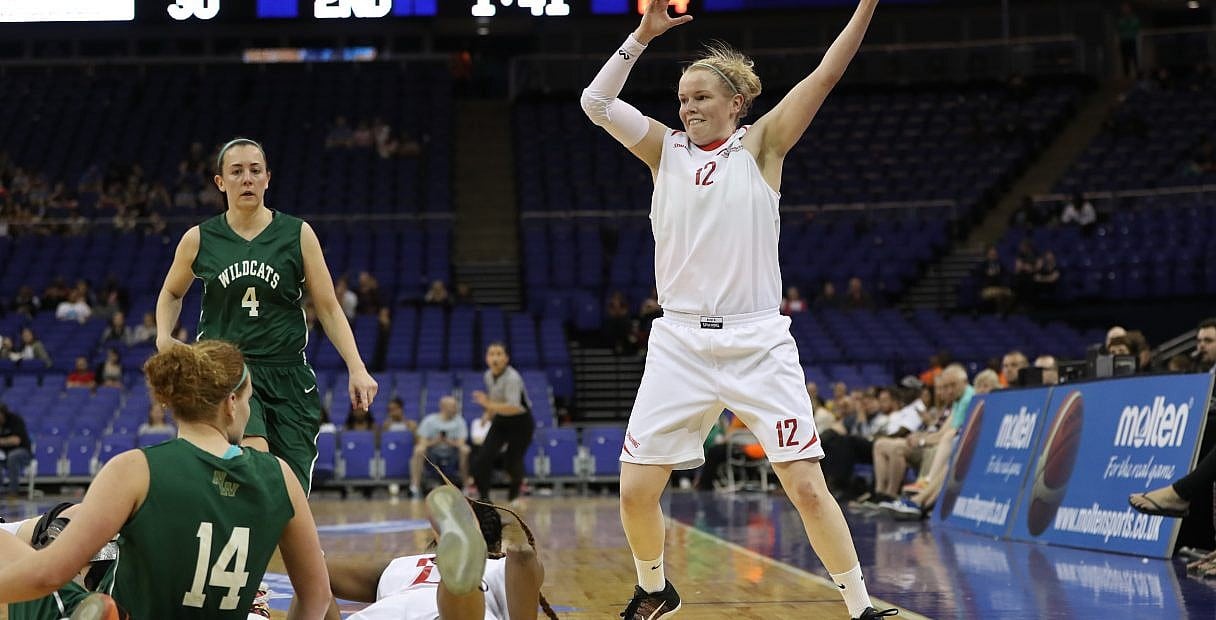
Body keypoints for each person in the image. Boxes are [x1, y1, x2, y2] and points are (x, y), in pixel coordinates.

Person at [579, 2, 894, 619]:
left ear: (735, 103)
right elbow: (596, 102)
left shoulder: (763, 145)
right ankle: (653, 587)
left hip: (757, 340)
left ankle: (860, 607)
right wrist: (642, 35)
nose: (688, 108)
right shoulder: (662, 151)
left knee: (805, 485)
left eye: (700, 97)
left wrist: (865, 6)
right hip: (679, 343)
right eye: (682, 99)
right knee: (636, 490)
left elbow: (827, 72)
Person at [0, 341, 331, 618]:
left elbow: (47, 575)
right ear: (231, 404)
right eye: (249, 401)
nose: (247, 411)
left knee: (31, 558)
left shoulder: (135, 469)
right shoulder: (281, 476)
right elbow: (317, 594)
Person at [156, 137, 378, 494]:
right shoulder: (199, 239)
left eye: (255, 171)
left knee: (289, 495)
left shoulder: (297, 234)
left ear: (267, 179)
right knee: (254, 468)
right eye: (237, 171)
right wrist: (163, 336)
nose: (247, 179)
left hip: (288, 372)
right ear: (220, 182)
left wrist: (357, 367)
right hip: (229, 372)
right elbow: (171, 292)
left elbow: (328, 306)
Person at [325, 486, 555, 620]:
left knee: (312, 580)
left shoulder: (403, 565)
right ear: (496, 545)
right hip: (447, 612)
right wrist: (519, 553)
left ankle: (456, 570)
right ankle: (458, 576)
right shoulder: (498, 566)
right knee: (464, 598)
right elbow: (523, 560)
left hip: (381, 615)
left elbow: (323, 573)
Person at [470, 343, 533, 505]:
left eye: (499, 354)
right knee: (483, 458)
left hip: (521, 422)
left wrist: (488, 405)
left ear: (506, 358)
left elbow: (513, 406)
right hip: (501, 420)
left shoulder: (513, 378)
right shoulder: (488, 375)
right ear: (486, 358)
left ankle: (514, 496)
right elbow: (495, 399)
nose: (495, 358)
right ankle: (484, 497)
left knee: (512, 461)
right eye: (491, 354)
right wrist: (487, 414)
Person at [410, 396, 471, 499]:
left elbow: (461, 443)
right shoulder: (429, 420)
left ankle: (466, 486)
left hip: (452, 453)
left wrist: (447, 441)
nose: (456, 409)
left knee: (465, 450)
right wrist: (436, 441)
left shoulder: (460, 421)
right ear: (443, 407)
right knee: (418, 449)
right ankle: (415, 486)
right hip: (432, 452)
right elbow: (422, 442)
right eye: (453, 406)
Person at [0, 404, 31, 498]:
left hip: (22, 452)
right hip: (3, 454)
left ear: (3, 414)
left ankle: (13, 492)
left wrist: (1, 441)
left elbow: (16, 440)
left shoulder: (15, 420)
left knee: (12, 457)